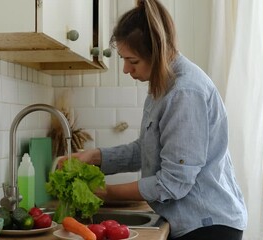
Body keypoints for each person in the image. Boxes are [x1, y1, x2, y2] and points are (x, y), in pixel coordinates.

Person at [58, 0, 248, 239]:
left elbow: (172, 183)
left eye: (133, 61)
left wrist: (101, 192)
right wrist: (94, 157)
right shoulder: (162, 85)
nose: (126, 69)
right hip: (192, 222)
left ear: (156, 52)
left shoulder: (184, 93)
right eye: (123, 60)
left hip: (208, 226)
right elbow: (147, 149)